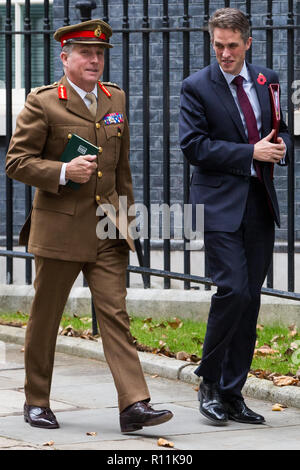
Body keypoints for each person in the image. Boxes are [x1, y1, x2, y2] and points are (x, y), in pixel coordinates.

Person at [6, 19, 173, 433]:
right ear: (65, 58)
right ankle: (37, 400)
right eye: (85, 53)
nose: (94, 59)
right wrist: (64, 171)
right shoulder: (43, 103)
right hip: (60, 230)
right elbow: (16, 162)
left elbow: (122, 171)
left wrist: (128, 223)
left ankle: (134, 404)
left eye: (99, 54)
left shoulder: (114, 97)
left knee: (115, 314)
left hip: (107, 228)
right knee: (46, 317)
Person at [179, 8, 291, 425]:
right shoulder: (196, 87)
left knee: (251, 300)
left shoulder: (268, 80)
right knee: (233, 291)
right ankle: (208, 381)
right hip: (217, 206)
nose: (224, 54)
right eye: (217, 45)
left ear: (247, 43)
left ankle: (231, 393)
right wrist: (250, 153)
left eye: (231, 46)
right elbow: (193, 146)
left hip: (259, 203)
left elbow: (283, 131)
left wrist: (280, 150)